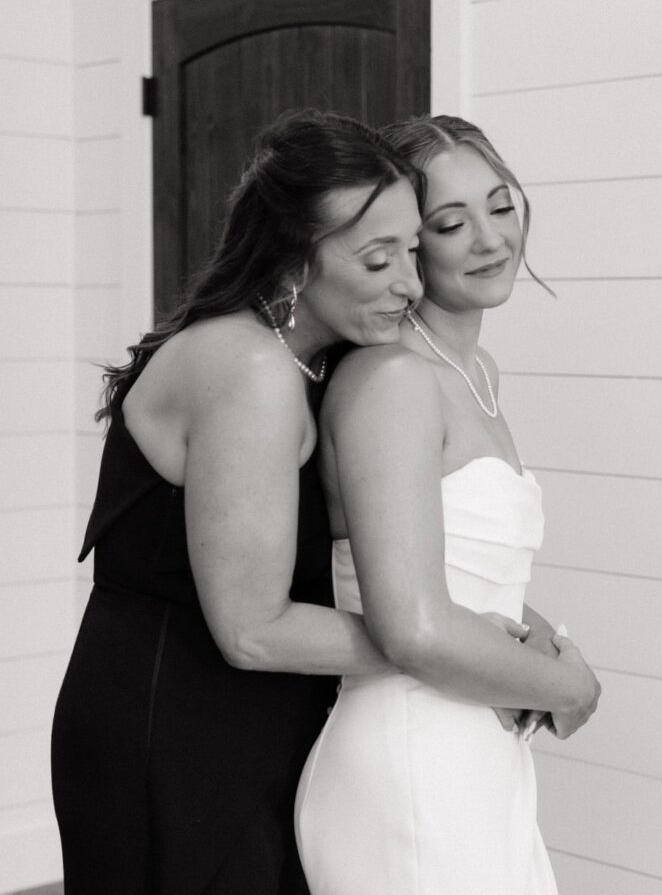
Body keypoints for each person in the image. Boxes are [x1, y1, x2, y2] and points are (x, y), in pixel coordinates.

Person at [51, 109, 425, 895]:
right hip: (177, 734)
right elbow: (252, 632)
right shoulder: (249, 368)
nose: (411, 284)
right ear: (296, 259)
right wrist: (439, 648)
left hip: (246, 725)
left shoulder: (307, 361)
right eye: (378, 257)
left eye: (415, 250)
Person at [295, 115, 601, 895]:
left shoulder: (477, 370)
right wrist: (570, 689)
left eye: (500, 206)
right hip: (414, 755)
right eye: (450, 223)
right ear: (406, 243)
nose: (491, 239)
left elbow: (464, 568)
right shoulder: (392, 381)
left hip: (480, 746)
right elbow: (412, 627)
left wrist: (531, 644)